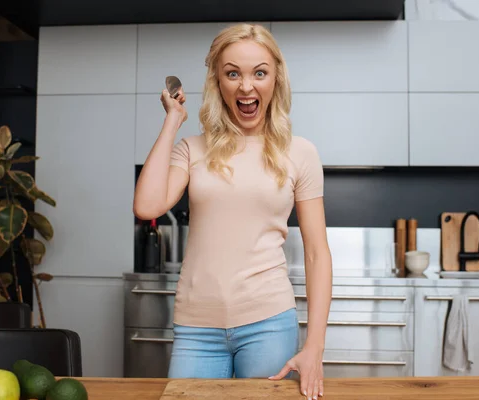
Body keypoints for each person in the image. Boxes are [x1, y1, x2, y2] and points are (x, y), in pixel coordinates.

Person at [133, 23, 332, 399]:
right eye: (232, 73)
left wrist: (315, 346)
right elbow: (146, 206)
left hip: (269, 324)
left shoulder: (300, 153)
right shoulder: (193, 149)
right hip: (196, 328)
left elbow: (317, 252)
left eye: (259, 72)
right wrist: (173, 121)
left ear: (276, 78)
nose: (246, 86)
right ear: (217, 82)